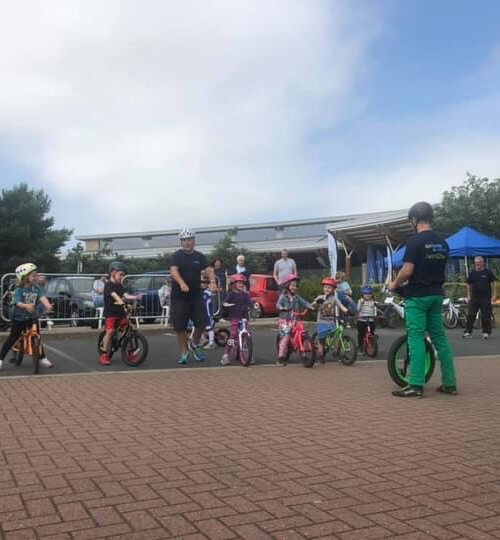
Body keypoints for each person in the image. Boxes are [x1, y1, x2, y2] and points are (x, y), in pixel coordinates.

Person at [389, 201, 457, 398]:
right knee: (440, 339)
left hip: (418, 297)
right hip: (437, 296)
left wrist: (394, 284)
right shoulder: (443, 244)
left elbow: (408, 270)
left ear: (414, 220)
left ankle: (416, 385)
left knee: (416, 338)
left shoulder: (415, 242)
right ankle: (450, 383)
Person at [170, 228, 217, 364]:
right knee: (180, 326)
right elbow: (174, 271)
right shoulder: (176, 256)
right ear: (181, 242)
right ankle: (184, 352)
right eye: (184, 240)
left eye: (189, 240)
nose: (187, 243)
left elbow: (209, 269)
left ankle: (194, 344)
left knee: (202, 322)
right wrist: (181, 283)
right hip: (179, 296)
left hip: (195, 295)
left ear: (194, 241)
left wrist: (212, 282)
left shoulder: (199, 256)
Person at [0, 263, 54, 370]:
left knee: (37, 335)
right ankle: (1, 359)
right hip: (18, 317)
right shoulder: (19, 290)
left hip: (32, 316)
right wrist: (26, 306)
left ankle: (42, 358)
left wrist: (48, 306)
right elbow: (17, 302)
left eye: (36, 275)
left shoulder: (37, 288)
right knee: (13, 337)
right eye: (33, 276)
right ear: (24, 278)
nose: (36, 277)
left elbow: (42, 297)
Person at [99, 261, 142, 366]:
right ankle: (104, 353)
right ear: (113, 273)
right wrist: (124, 303)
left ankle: (129, 351)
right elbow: (115, 296)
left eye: (123, 275)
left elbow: (126, 295)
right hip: (111, 313)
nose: (122, 277)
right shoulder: (109, 285)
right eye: (120, 274)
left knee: (127, 327)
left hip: (120, 312)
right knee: (110, 331)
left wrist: (135, 298)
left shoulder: (120, 286)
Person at [276, 274, 312, 366]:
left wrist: (310, 307)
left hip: (295, 319)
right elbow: (278, 305)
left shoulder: (296, 297)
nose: (294, 287)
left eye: (295, 286)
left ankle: (305, 352)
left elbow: (304, 302)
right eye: (292, 285)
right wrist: (282, 308)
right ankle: (281, 357)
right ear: (287, 285)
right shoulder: (283, 296)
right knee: (286, 337)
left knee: (303, 331)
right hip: (285, 320)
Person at [311, 277, 348, 362]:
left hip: (331, 322)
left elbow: (340, 305)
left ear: (333, 289)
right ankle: (320, 354)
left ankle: (338, 352)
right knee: (321, 339)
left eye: (329, 287)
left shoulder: (334, 298)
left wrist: (346, 310)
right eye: (325, 287)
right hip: (321, 322)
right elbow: (312, 305)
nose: (326, 289)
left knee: (336, 336)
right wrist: (316, 303)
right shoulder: (320, 297)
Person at [220, 274, 253, 365]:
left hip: (244, 318)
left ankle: (247, 353)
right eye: (239, 283)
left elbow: (250, 304)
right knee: (233, 335)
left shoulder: (245, 295)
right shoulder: (231, 294)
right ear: (233, 284)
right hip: (235, 317)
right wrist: (228, 305)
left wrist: (252, 307)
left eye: (242, 283)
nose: (241, 285)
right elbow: (225, 303)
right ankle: (225, 355)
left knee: (247, 334)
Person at [463, 256, 497, 339]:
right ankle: (468, 332)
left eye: (479, 262)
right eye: (476, 263)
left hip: (486, 298)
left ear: (483, 263)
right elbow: (468, 284)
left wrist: (494, 296)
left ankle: (486, 332)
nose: (477, 264)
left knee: (486, 316)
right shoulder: (472, 273)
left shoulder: (488, 272)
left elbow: (494, 284)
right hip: (474, 298)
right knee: (471, 314)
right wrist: (468, 295)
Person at [357, 286, 377, 354]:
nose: (367, 295)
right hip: (362, 320)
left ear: (371, 295)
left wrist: (375, 316)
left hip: (370, 320)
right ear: (362, 294)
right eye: (365, 294)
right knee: (361, 334)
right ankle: (360, 347)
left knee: (371, 332)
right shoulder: (360, 301)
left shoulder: (373, 302)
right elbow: (358, 309)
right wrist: (361, 303)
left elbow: (375, 310)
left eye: (369, 294)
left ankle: (372, 344)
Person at [200, 274, 216, 349]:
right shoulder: (202, 292)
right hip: (202, 313)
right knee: (199, 326)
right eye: (202, 283)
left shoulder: (207, 293)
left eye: (205, 283)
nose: (203, 284)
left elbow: (207, 303)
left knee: (210, 327)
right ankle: (204, 339)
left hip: (208, 314)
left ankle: (211, 342)